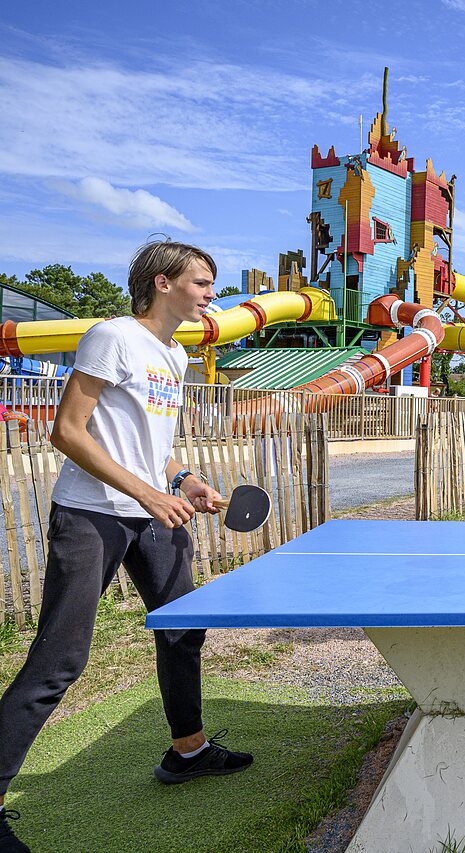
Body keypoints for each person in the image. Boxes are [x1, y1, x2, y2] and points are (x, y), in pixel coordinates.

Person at [0, 240, 253, 853]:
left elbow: (149, 445)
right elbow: (68, 430)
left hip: (150, 511)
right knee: (60, 661)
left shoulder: (173, 352)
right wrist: (148, 492)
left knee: (183, 629)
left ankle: (186, 751)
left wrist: (180, 479)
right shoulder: (113, 336)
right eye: (201, 283)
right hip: (93, 515)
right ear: (162, 284)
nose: (211, 295)